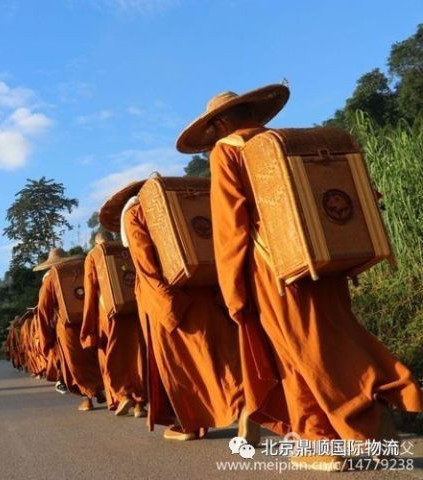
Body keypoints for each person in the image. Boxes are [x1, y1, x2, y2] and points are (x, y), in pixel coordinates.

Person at [176, 83, 423, 469]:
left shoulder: (228, 152)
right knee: (313, 347)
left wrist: (234, 292)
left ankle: (369, 424)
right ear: (255, 112)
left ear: (221, 123)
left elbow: (231, 228)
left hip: (276, 272)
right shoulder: (289, 143)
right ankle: (318, 439)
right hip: (324, 263)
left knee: (306, 352)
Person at [99, 183, 255, 442]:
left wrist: (168, 305)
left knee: (181, 366)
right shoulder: (184, 203)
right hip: (206, 286)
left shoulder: (133, 214)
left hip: (170, 297)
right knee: (218, 355)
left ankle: (191, 424)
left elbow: (145, 264)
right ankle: (241, 402)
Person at [81, 231, 148, 418]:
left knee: (110, 355)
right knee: (137, 356)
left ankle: (124, 393)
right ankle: (139, 405)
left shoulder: (92, 256)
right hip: (133, 309)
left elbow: (90, 290)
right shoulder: (124, 250)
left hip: (107, 313)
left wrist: (88, 328)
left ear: (95, 243)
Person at [35, 248, 106, 411]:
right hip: (91, 321)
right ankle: (98, 387)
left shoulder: (51, 276)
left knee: (76, 363)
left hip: (68, 327)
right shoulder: (83, 268)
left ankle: (87, 398)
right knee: (93, 357)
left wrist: (46, 337)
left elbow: (43, 309)